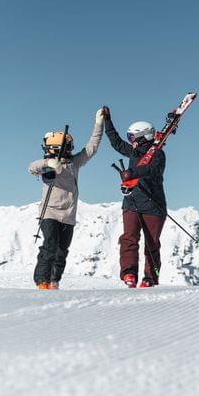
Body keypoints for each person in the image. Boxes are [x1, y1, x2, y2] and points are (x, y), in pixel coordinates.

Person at [28, 109, 104, 290]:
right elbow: (31, 168)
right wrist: (48, 164)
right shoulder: (48, 165)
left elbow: (91, 147)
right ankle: (42, 281)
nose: (71, 149)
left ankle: (55, 281)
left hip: (69, 215)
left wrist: (99, 124)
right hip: (50, 213)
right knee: (50, 246)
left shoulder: (73, 163)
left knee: (62, 252)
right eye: (68, 146)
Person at [102, 108, 166, 288]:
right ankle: (129, 273)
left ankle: (150, 278)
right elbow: (115, 142)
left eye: (132, 137)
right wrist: (108, 120)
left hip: (154, 206)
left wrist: (132, 172)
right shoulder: (133, 153)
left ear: (142, 136)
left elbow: (153, 170)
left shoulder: (158, 154)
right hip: (131, 203)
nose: (130, 141)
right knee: (129, 238)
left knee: (151, 244)